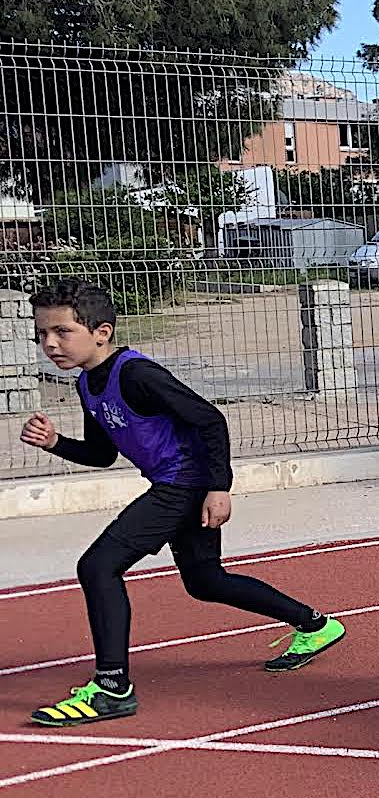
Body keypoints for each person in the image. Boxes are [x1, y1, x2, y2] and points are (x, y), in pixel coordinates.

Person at [19, 279, 344, 724]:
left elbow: (211, 420)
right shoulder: (87, 385)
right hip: (175, 484)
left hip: (186, 485)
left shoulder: (136, 375)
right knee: (205, 582)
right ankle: (315, 624)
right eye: (42, 335)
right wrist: (55, 442)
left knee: (97, 566)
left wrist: (218, 487)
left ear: (102, 332)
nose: (50, 344)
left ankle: (112, 687)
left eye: (62, 332)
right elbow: (102, 454)